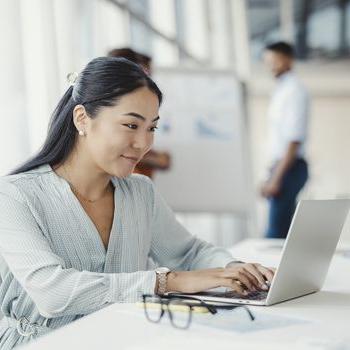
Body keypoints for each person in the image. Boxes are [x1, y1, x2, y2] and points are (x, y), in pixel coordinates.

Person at [0, 57, 274, 349]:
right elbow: (52, 292)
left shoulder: (140, 192)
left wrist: (237, 269)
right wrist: (168, 282)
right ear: (82, 119)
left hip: (123, 339)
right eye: (131, 125)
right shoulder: (14, 195)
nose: (144, 143)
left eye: (152, 128)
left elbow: (187, 252)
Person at [261, 41, 309, 239]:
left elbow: (293, 140)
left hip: (289, 168)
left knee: (275, 235)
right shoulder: (282, 90)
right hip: (282, 167)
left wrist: (275, 179)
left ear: (288, 59)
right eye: (267, 61)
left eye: (275, 61)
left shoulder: (294, 91)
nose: (270, 66)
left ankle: (274, 272)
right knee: (283, 234)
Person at [107, 47, 170, 178]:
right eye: (145, 74)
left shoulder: (137, 103)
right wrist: (156, 160)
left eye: (152, 128)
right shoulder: (111, 106)